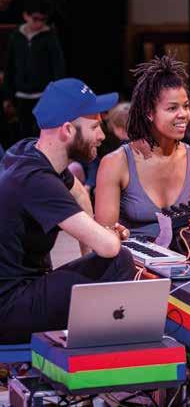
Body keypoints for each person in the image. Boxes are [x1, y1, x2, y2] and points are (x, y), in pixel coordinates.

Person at [0, 78, 136, 344]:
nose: (102, 135)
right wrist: (103, 237)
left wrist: (92, 241)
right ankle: (102, 351)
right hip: (9, 308)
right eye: (95, 127)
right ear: (67, 130)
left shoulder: (28, 150)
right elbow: (109, 247)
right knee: (120, 261)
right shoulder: (36, 180)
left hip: (20, 293)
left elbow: (79, 192)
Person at [95, 56, 190, 239]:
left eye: (186, 106)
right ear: (149, 112)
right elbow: (104, 237)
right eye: (172, 108)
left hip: (186, 255)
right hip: (133, 256)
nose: (183, 114)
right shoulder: (115, 163)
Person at [2, 0, 65, 140]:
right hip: (21, 95)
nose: (39, 23)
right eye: (35, 19)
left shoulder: (50, 37)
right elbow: (9, 67)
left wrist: (55, 94)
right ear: (26, 16)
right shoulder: (16, 36)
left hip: (43, 95)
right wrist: (7, 97)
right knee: (22, 133)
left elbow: (58, 68)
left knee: (41, 133)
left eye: (43, 19)